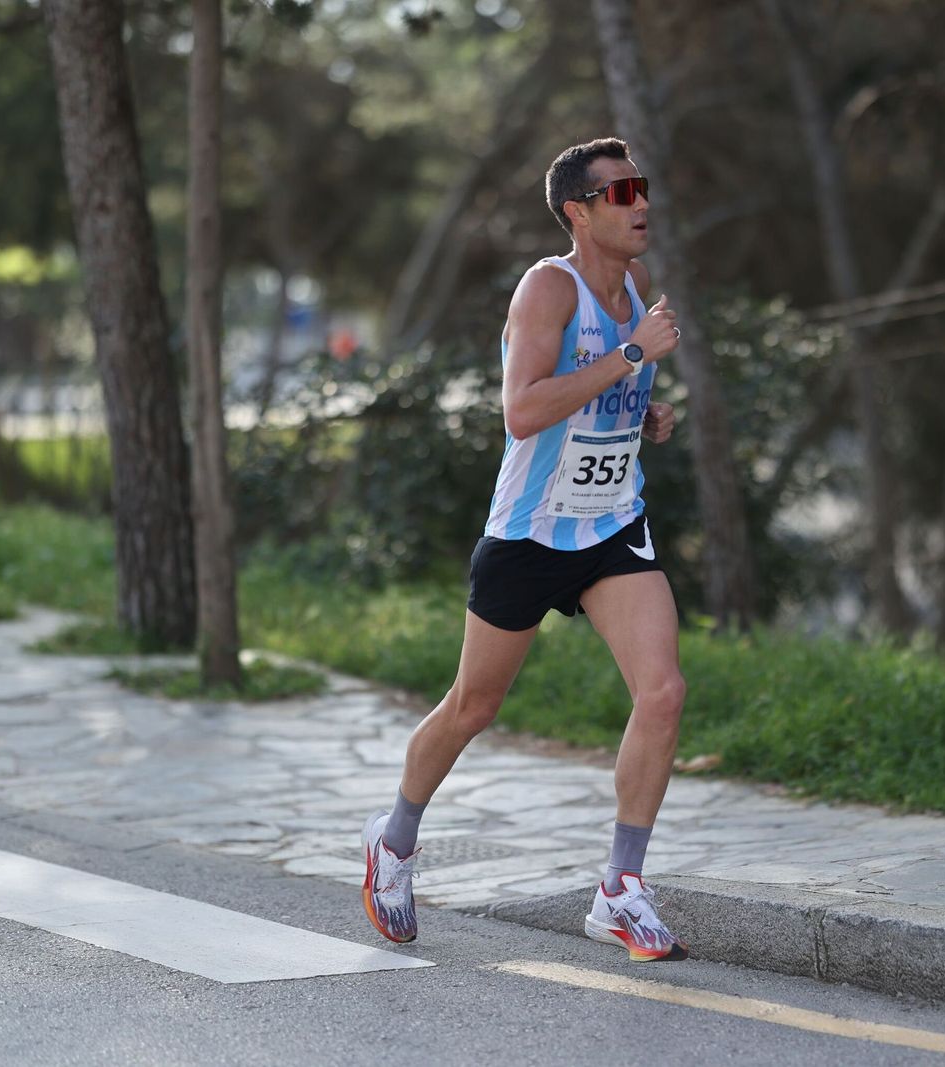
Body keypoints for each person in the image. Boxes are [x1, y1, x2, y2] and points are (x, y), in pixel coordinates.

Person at [362, 137, 691, 962]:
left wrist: (645, 411)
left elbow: (606, 394)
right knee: (473, 706)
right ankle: (393, 840)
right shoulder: (549, 287)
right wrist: (633, 354)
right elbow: (523, 410)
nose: (642, 205)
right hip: (531, 533)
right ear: (578, 212)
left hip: (611, 524)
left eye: (644, 188)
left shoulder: (635, 287)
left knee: (662, 692)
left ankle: (620, 888)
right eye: (623, 194)